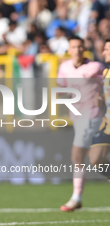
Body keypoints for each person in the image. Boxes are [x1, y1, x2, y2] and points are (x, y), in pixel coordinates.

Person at [57, 35, 105, 212]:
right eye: (74, 47)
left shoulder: (95, 67)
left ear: (84, 48)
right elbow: (61, 88)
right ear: (68, 50)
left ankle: (76, 198)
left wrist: (102, 96)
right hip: (77, 118)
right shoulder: (64, 67)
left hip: (92, 116)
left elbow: (106, 84)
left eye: (80, 46)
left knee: (77, 155)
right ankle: (76, 198)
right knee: (97, 160)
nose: (77, 50)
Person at [89, 38, 110, 181]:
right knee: (95, 159)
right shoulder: (106, 73)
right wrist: (100, 98)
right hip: (107, 123)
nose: (103, 52)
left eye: (107, 49)